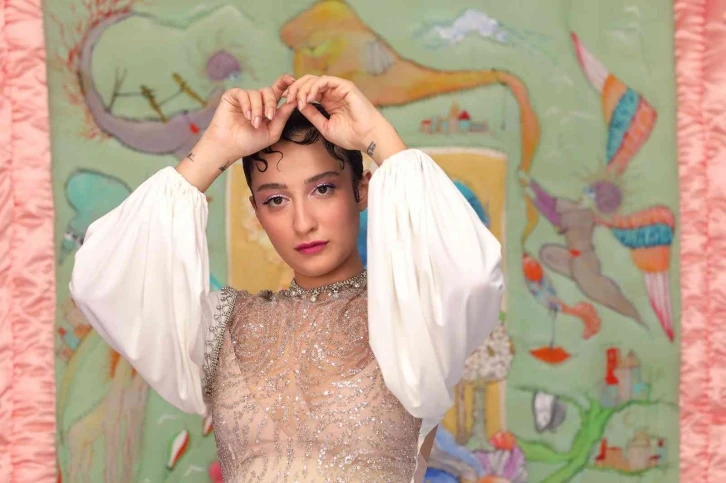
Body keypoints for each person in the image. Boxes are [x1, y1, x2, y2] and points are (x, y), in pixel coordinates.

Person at [70, 73, 504, 482]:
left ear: (362, 189)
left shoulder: (412, 320)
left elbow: (472, 275)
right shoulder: (222, 329)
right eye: (276, 200)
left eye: (323, 189)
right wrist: (215, 150)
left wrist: (377, 134)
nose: (302, 222)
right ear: (257, 212)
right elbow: (100, 282)